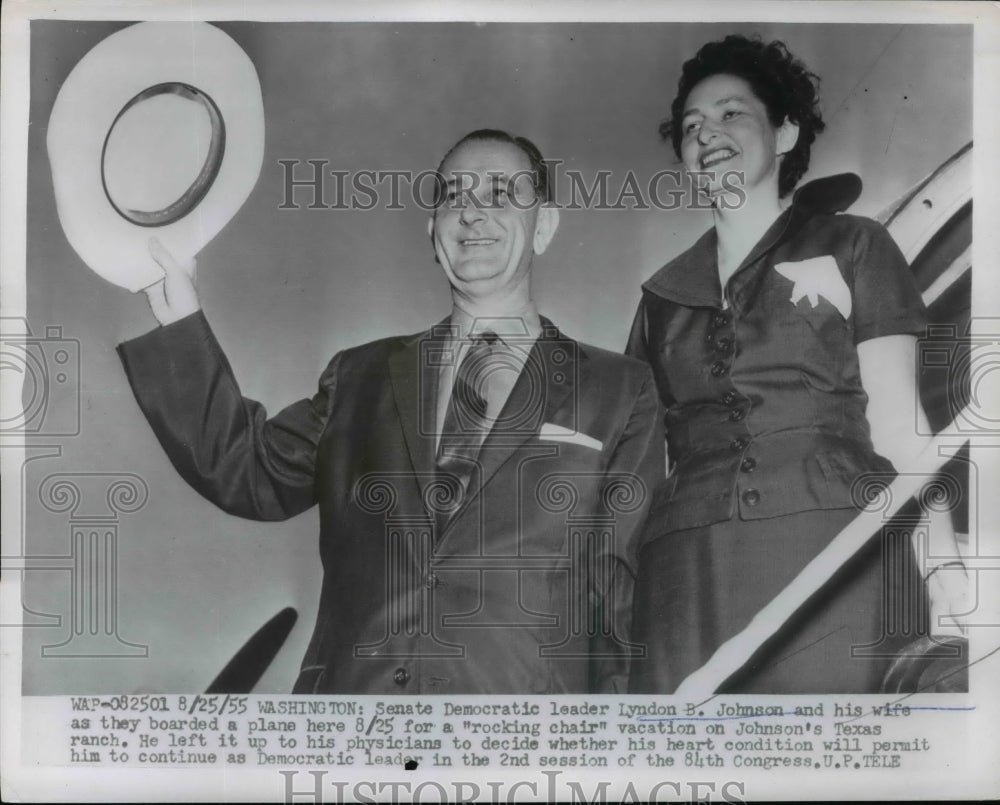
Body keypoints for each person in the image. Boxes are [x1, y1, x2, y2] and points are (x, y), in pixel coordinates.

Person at [117, 129, 665, 694]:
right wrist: (180, 321)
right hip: (355, 723)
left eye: (501, 195)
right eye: (453, 196)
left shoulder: (620, 389)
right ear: (433, 232)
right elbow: (245, 470)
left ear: (544, 226)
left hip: (521, 736)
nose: (472, 215)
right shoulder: (360, 377)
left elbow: (621, 594)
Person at [626, 35, 969, 693]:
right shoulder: (659, 299)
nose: (708, 134)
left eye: (732, 114)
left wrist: (944, 570)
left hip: (842, 552)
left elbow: (901, 426)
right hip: (685, 577)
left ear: (784, 132)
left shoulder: (854, 245)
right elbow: (643, 467)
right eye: (692, 126)